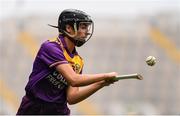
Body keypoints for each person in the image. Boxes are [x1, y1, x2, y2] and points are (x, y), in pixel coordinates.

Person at [17, 9, 118, 115]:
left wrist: (100, 84)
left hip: (58, 111)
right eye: (83, 27)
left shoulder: (78, 61)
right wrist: (105, 75)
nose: (87, 32)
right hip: (34, 109)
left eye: (87, 28)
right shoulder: (50, 47)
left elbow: (72, 98)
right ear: (69, 28)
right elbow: (74, 80)